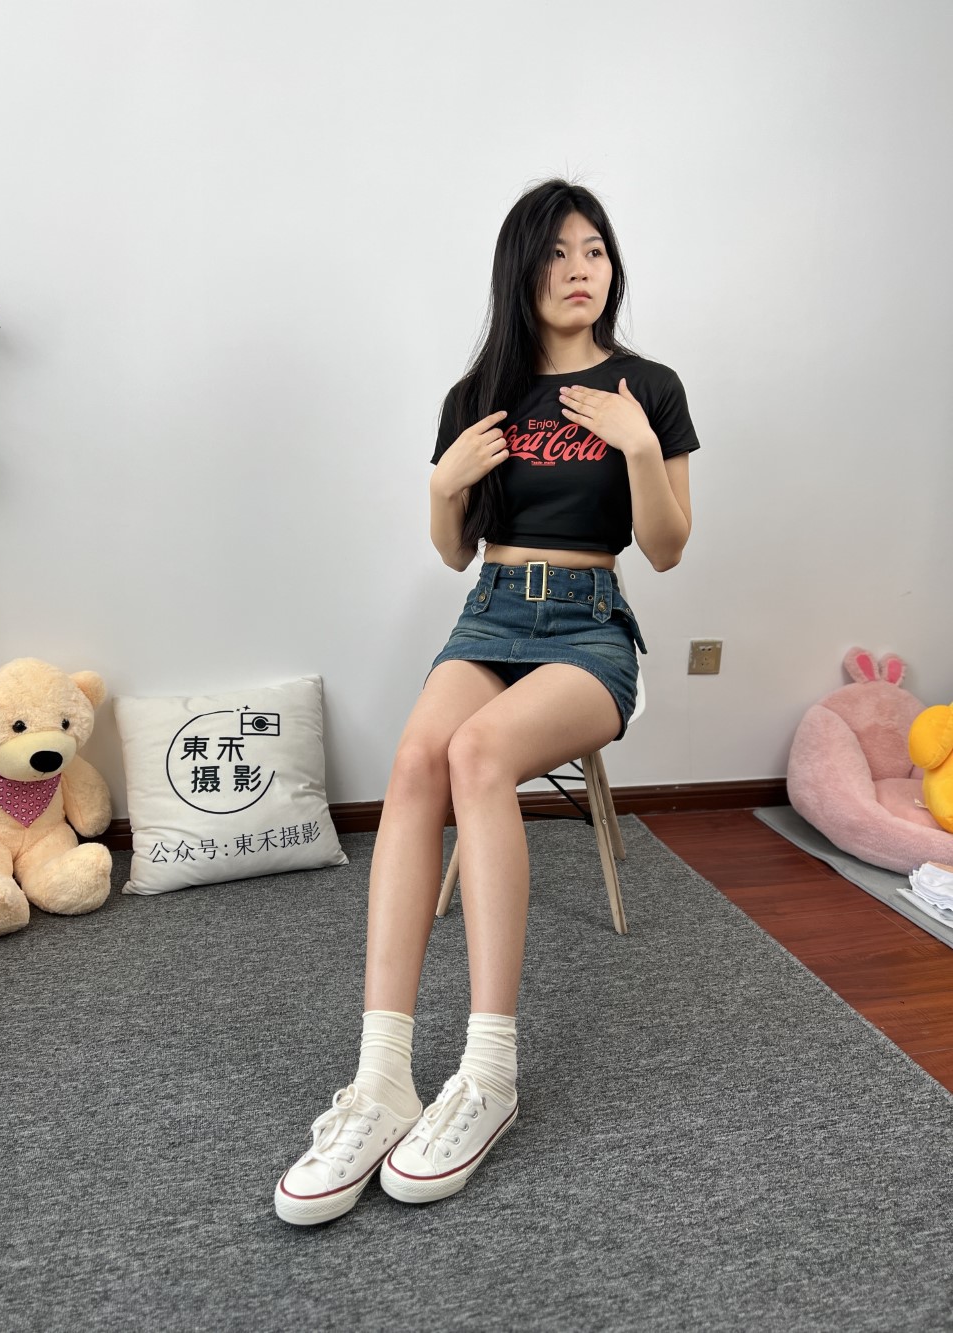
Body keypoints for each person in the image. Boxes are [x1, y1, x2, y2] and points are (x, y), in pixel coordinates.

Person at [275, 178, 700, 1226]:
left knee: (477, 753)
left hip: (590, 628)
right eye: (556, 252)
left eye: (593, 249)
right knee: (416, 759)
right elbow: (454, 550)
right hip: (492, 612)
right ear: (521, 270)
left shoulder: (649, 386)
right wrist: (441, 486)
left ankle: (488, 1073)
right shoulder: (480, 394)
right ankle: (383, 1077)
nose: (579, 269)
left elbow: (666, 547)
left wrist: (640, 446)